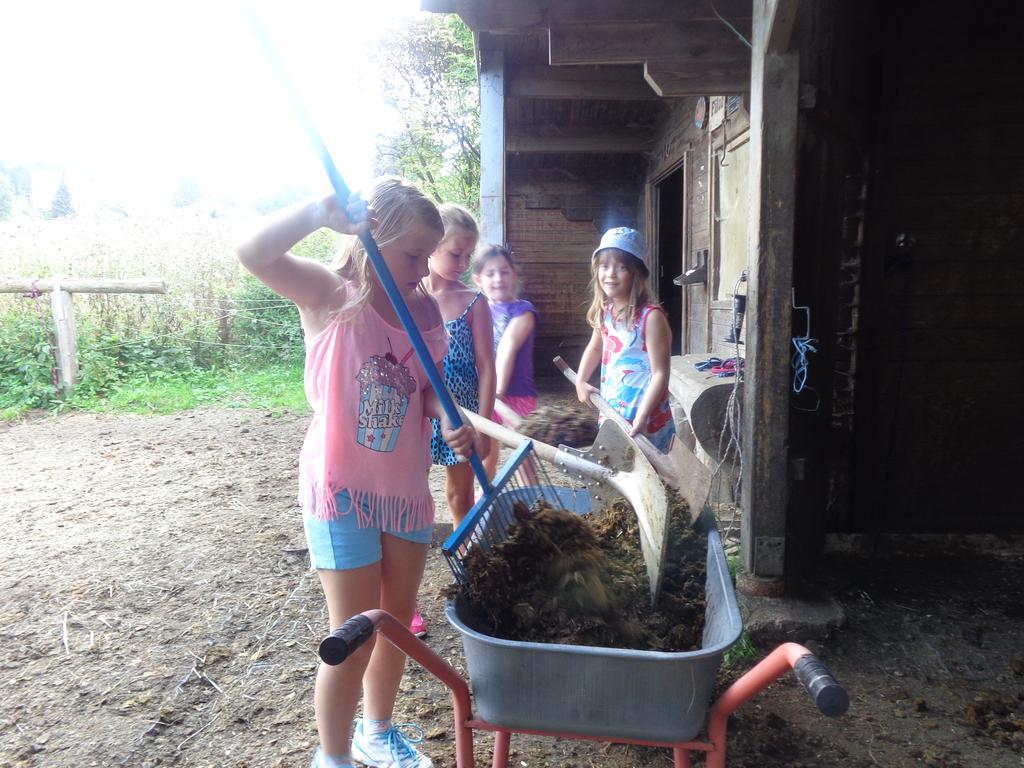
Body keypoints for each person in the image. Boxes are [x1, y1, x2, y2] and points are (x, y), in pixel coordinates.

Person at [236, 177, 475, 768]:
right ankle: (335, 757)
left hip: (404, 494)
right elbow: (251, 252)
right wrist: (320, 210)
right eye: (413, 254)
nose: (424, 271)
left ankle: (377, 730)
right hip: (342, 490)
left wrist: (447, 418)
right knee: (353, 631)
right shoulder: (328, 293)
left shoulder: (423, 310)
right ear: (371, 238)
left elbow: (424, 394)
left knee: (394, 623)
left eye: (428, 254)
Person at [416, 203, 493, 637]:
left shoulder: (473, 301)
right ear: (431, 249)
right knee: (412, 491)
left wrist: (481, 423)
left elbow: (488, 365)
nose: (463, 265)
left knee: (458, 493)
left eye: (469, 256)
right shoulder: (411, 299)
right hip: (418, 414)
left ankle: (467, 564)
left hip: (461, 416)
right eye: (455, 254)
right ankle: (404, 581)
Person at [574, 227, 676, 452]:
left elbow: (660, 373)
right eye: (604, 266)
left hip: (645, 415)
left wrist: (643, 416)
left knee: (652, 475)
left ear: (636, 273)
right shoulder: (605, 312)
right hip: (613, 411)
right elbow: (594, 348)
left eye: (621, 267)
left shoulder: (651, 318)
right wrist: (580, 380)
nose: (610, 274)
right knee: (619, 468)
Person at [471, 244, 538, 477]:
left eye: (504, 271)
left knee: (522, 452)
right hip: (487, 392)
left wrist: (496, 391)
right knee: (487, 449)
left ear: (514, 274)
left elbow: (508, 346)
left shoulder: (523, 311)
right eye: (490, 273)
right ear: (478, 279)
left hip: (517, 394)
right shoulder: (479, 310)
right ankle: (486, 497)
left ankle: (535, 503)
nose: (498, 278)